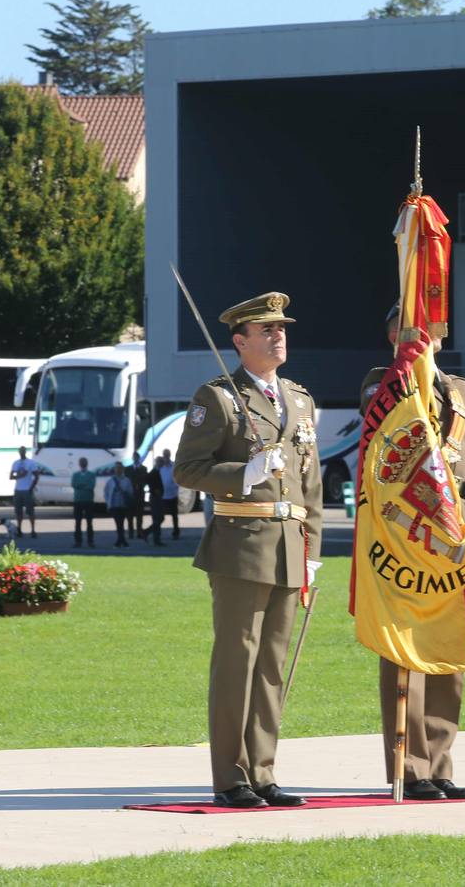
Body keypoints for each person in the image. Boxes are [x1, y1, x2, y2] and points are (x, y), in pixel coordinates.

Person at [173, 291, 323, 809]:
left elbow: (312, 485)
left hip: (289, 545)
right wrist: (243, 474)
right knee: (237, 662)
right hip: (241, 544)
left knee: (273, 666)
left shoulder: (300, 400)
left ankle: (263, 771)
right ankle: (230, 777)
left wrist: (313, 549)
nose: (278, 336)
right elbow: (187, 470)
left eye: (282, 328)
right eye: (266, 330)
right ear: (240, 342)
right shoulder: (217, 397)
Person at [360, 304, 465, 801]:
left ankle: (441, 762)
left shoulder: (463, 390)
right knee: (407, 648)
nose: (426, 336)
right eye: (411, 329)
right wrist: (408, 370)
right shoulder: (385, 384)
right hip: (406, 531)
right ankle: (410, 764)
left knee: (450, 646)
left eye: (430, 328)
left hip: (458, 530)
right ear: (392, 336)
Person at [9, 446, 39, 537]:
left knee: (30, 511)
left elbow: (36, 476)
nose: (21, 452)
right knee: (18, 512)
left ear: (25, 452)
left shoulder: (31, 463)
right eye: (20, 451)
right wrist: (21, 475)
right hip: (18, 489)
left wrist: (31, 487)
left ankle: (33, 530)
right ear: (19, 452)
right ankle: (19, 529)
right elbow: (11, 476)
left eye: (23, 451)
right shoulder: (16, 463)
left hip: (27, 490)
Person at [102, 462, 133, 547]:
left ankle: (120, 540)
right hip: (114, 505)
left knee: (121, 523)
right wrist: (108, 502)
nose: (118, 470)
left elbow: (131, 492)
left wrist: (124, 492)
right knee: (118, 523)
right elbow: (106, 492)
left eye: (120, 468)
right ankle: (121, 540)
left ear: (122, 469)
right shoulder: (111, 481)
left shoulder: (126, 480)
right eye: (116, 468)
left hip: (123, 505)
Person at [71, 457, 96, 548]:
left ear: (87, 463)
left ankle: (90, 541)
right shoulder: (75, 475)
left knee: (89, 523)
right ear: (79, 463)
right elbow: (74, 484)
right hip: (78, 501)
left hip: (88, 500)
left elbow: (91, 486)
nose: (83, 463)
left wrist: (81, 485)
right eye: (81, 462)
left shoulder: (91, 475)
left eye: (84, 462)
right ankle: (78, 541)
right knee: (77, 522)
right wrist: (84, 484)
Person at [159, 449, 181, 539]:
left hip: (173, 495)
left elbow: (177, 479)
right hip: (163, 495)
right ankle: (158, 533)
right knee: (160, 516)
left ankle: (176, 531)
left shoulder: (173, 466)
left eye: (167, 455)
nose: (166, 457)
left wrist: (175, 488)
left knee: (174, 515)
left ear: (169, 455)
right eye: (164, 455)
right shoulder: (160, 467)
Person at [145, 454, 165, 546]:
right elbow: (151, 483)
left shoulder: (155, 472)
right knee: (159, 518)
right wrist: (156, 492)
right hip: (155, 498)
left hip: (156, 498)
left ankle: (156, 539)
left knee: (157, 519)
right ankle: (146, 532)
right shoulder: (154, 473)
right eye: (161, 462)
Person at [128, 456, 149, 540]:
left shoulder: (144, 468)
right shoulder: (128, 469)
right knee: (130, 516)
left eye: (137, 458)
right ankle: (131, 533)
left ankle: (139, 532)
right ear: (133, 459)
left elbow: (145, 480)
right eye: (134, 458)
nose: (136, 459)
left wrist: (140, 486)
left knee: (139, 516)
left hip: (140, 494)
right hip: (131, 496)